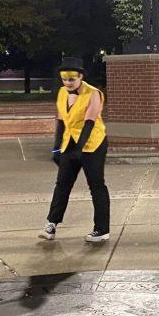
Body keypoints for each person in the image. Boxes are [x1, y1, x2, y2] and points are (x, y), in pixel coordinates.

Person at [39, 57, 110, 243]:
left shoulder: (93, 93)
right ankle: (51, 224)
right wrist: (56, 148)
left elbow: (89, 122)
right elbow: (61, 120)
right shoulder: (62, 92)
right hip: (69, 142)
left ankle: (102, 230)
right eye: (64, 79)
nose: (68, 83)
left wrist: (80, 149)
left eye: (71, 79)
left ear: (80, 77)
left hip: (93, 143)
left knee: (96, 185)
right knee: (62, 184)